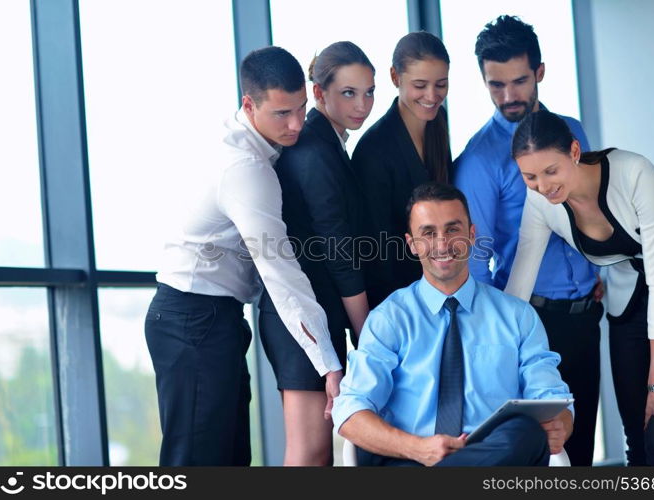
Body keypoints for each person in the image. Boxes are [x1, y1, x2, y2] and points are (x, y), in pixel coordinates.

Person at [144, 46, 343, 466]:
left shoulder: (253, 145)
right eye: (281, 114)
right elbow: (281, 273)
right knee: (195, 462)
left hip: (214, 318)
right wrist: (328, 362)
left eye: (301, 109)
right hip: (191, 320)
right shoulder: (245, 169)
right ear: (249, 104)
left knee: (231, 460)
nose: (295, 125)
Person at [332, 181, 573, 467]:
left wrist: (561, 425)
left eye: (452, 229)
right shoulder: (389, 318)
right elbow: (350, 413)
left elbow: (552, 399)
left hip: (493, 458)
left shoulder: (518, 316)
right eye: (428, 233)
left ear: (472, 235)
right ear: (412, 243)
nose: (442, 244)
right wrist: (419, 449)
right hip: (410, 458)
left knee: (526, 433)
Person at [452, 15, 602, 465]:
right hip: (529, 321)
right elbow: (477, 262)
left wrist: (598, 270)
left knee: (580, 451)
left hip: (586, 316)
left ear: (539, 71)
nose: (508, 97)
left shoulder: (573, 131)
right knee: (539, 458)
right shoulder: (478, 160)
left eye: (518, 81)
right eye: (495, 85)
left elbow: (595, 206)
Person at [505, 110, 654, 466]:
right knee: (637, 442)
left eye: (551, 171)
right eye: (530, 177)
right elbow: (519, 284)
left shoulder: (634, 173)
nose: (544, 187)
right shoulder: (540, 204)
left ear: (574, 151)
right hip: (628, 304)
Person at [258, 41, 374, 465]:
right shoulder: (314, 150)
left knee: (319, 454)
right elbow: (338, 252)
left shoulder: (328, 143)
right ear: (319, 93)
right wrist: (367, 334)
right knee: (310, 454)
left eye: (369, 91)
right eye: (348, 93)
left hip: (318, 314)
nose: (362, 104)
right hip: (301, 319)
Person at [352, 31, 452, 309]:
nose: (432, 96)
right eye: (420, 85)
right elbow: (375, 252)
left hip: (438, 289)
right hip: (396, 301)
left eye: (441, 84)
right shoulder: (373, 150)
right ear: (395, 78)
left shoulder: (438, 122)